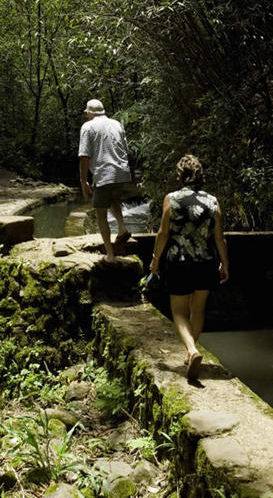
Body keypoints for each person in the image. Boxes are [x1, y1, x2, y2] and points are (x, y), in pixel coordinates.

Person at [149, 154, 229, 380]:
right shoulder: (212, 201)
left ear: (180, 176)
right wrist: (225, 263)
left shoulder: (171, 199)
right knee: (198, 309)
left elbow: (163, 233)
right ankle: (190, 351)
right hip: (205, 263)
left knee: (179, 311)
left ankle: (192, 350)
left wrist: (155, 260)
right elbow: (219, 238)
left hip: (178, 263)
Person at [78, 98, 132, 263]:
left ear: (89, 113)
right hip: (122, 172)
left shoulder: (88, 127)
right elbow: (125, 149)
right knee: (114, 199)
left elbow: (84, 156)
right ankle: (122, 228)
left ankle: (109, 255)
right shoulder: (116, 124)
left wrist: (83, 181)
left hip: (104, 173)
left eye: (87, 113)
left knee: (100, 212)